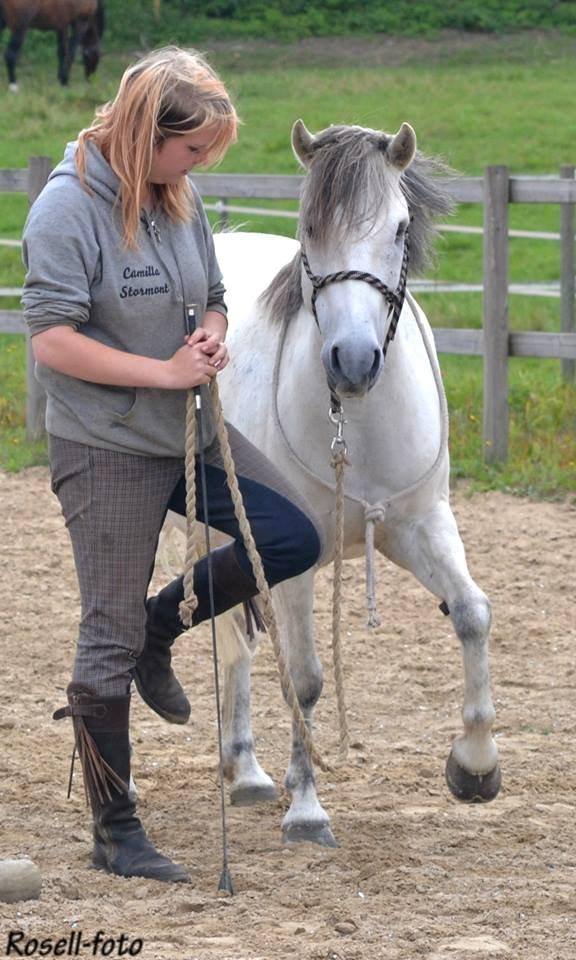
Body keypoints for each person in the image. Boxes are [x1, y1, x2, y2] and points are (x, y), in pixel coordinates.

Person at [22, 46, 321, 884]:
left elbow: (215, 294)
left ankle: (166, 621)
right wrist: (162, 371)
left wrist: (215, 333)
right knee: (103, 633)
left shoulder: (175, 197)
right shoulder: (65, 209)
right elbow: (51, 340)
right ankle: (115, 830)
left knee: (294, 535)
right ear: (150, 133)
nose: (198, 168)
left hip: (191, 430)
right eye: (192, 150)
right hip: (106, 443)